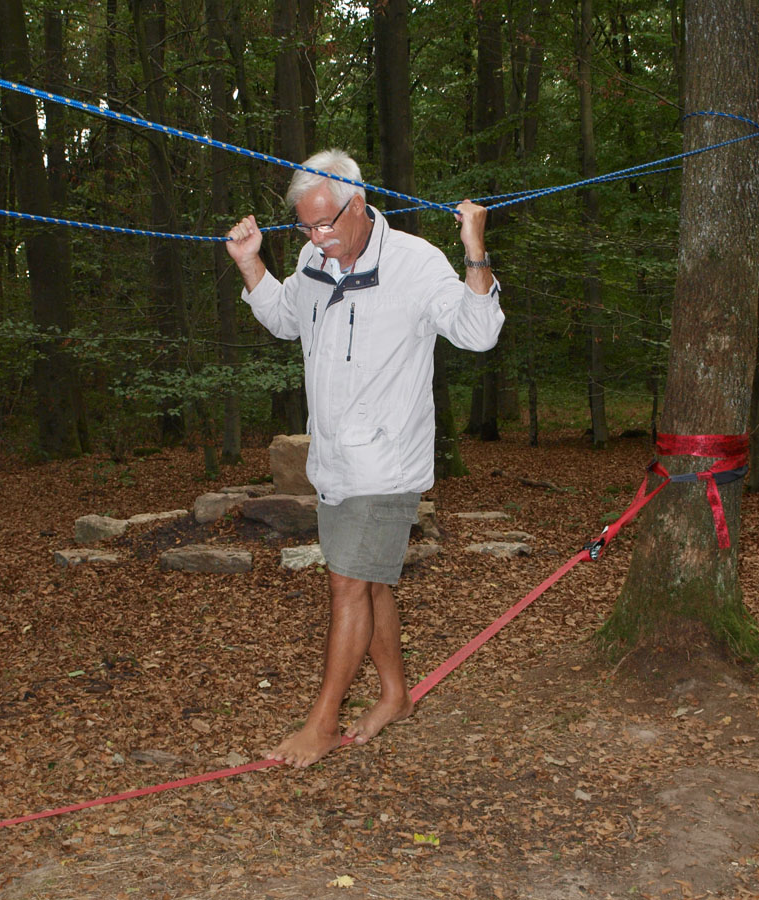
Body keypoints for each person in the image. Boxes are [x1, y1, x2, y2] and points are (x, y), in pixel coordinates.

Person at [225, 149, 504, 768]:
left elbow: (479, 332)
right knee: (369, 581)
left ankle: (322, 724)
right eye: (305, 227)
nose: (316, 239)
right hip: (332, 463)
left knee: (348, 583)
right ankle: (396, 695)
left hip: (386, 462)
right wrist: (250, 263)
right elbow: (285, 320)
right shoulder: (312, 260)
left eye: (325, 224)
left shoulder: (414, 262)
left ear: (359, 204)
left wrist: (474, 251)